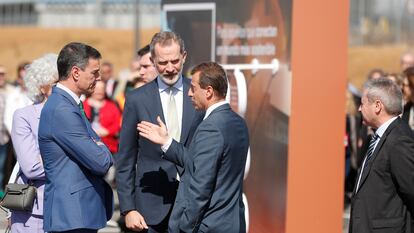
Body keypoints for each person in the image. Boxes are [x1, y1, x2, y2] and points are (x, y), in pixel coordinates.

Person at [138, 62, 249, 233]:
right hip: (231, 224)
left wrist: (185, 227)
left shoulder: (210, 127)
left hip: (208, 226)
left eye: (194, 88)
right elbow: (199, 164)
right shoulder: (239, 123)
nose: (189, 93)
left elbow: (200, 187)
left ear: (209, 91)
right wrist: (167, 141)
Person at [115, 31, 201, 232]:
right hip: (150, 209)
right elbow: (126, 158)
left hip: (194, 204)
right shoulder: (137, 99)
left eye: (175, 61)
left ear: (184, 57)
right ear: (152, 60)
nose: (170, 68)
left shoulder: (198, 94)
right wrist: (128, 209)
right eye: (163, 63)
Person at [38, 42, 113, 233]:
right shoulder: (62, 109)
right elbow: (101, 161)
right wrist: (100, 146)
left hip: (79, 213)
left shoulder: (70, 104)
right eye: (94, 72)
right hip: (71, 216)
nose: (99, 77)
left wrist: (97, 144)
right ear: (76, 72)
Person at [349, 78, 414, 233]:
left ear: (378, 106)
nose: (359, 109)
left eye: (363, 103)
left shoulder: (399, 140)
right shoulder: (380, 136)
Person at [9, 53, 58, 233]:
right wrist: (69, 161)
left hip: (66, 208)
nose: (61, 89)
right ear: (41, 87)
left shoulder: (77, 115)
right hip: (32, 209)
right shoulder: (24, 115)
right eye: (55, 84)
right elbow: (31, 167)